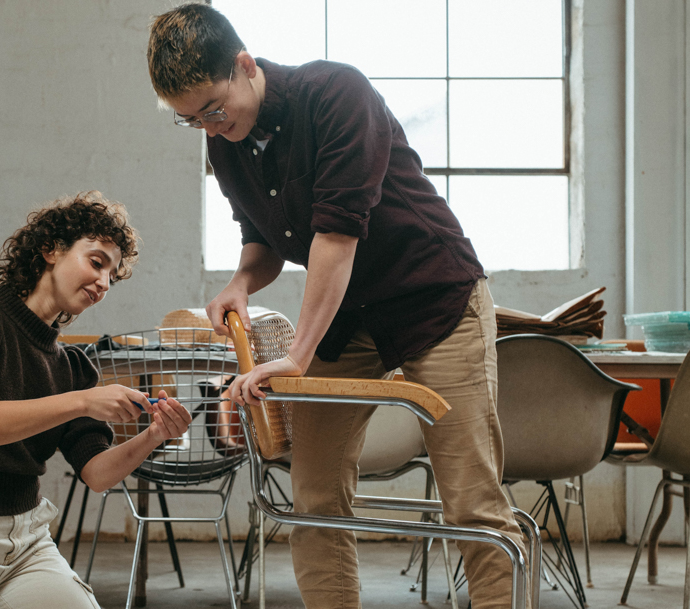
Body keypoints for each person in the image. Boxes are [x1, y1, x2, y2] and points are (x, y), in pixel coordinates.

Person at [147, 5, 526, 608]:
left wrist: (296, 356)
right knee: (316, 497)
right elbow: (264, 240)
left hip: (435, 300)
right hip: (348, 318)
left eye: (213, 109)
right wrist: (241, 281)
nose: (210, 128)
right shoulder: (226, 146)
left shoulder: (335, 93)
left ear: (245, 66)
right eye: (190, 121)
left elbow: (336, 237)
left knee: (470, 501)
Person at [0, 191, 193, 609]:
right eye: (96, 261)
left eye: (112, 275)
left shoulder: (74, 368)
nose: (103, 283)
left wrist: (154, 435)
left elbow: (98, 474)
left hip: (24, 545)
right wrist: (82, 402)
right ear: (51, 249)